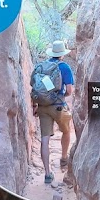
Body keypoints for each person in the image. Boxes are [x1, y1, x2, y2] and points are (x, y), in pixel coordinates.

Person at [34, 39, 75, 183]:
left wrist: (35, 105)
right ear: (62, 54)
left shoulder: (42, 66)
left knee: (45, 139)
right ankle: (64, 159)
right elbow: (69, 90)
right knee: (66, 131)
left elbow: (36, 88)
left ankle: (47, 173)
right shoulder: (65, 67)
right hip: (58, 106)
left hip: (43, 107)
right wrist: (61, 96)